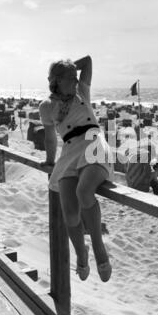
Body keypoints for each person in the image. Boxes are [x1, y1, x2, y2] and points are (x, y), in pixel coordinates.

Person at [39, 56, 113, 282]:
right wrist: (50, 162)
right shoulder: (47, 106)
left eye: (74, 76)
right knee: (69, 212)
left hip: (93, 142)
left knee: (84, 191)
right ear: (57, 82)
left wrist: (70, 67)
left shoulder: (82, 90)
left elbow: (89, 61)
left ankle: (100, 250)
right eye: (70, 78)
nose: (75, 80)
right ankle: (82, 254)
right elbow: (51, 138)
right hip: (70, 151)